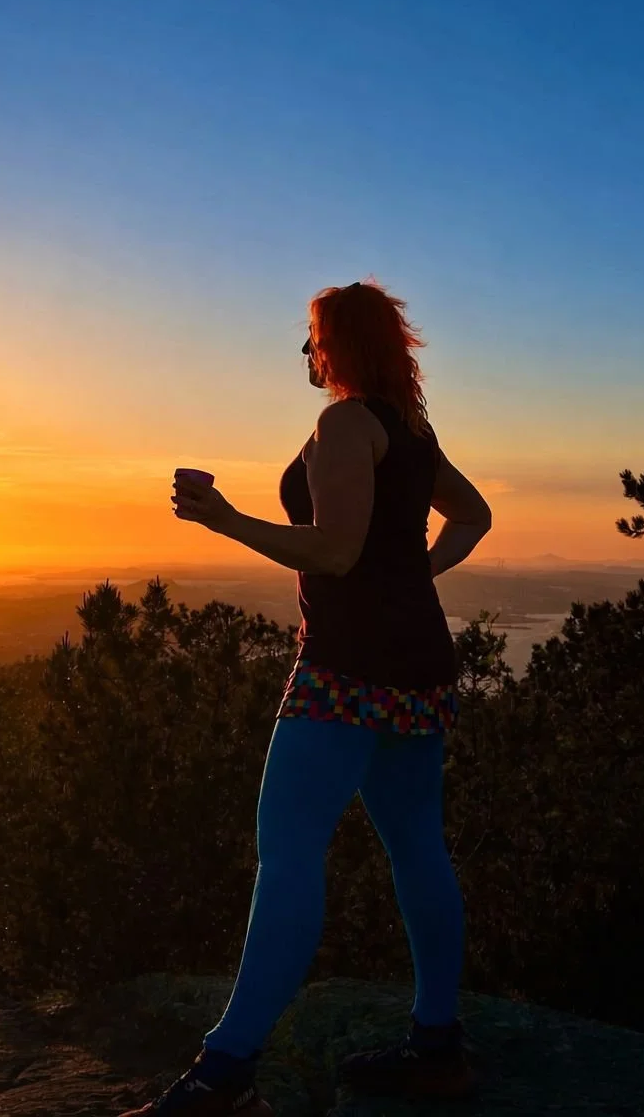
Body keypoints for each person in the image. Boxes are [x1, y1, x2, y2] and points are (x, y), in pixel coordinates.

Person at [120, 280, 493, 1116]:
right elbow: (473, 517)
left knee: (288, 855)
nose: (308, 355)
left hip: (345, 668)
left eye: (313, 341)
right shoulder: (409, 428)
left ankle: (225, 1074)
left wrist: (222, 518)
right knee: (418, 851)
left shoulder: (344, 424)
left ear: (334, 346)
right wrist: (415, 578)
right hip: (420, 669)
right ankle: (439, 1046)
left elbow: (331, 553)